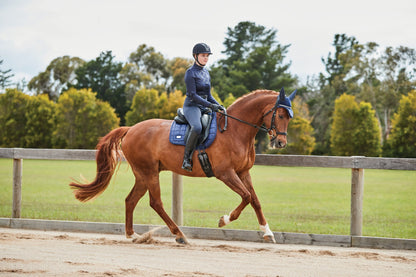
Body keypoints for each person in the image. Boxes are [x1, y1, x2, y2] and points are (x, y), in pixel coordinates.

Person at [181, 43, 224, 172]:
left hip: (204, 106)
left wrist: (220, 106)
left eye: (207, 56)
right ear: (195, 56)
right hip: (192, 106)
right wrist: (210, 105)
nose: (206, 58)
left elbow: (208, 95)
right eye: (203, 56)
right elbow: (193, 95)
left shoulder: (206, 73)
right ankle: (186, 159)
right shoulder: (190, 73)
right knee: (197, 127)